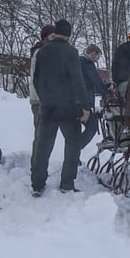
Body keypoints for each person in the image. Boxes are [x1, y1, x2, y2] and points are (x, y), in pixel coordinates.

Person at [31, 19, 90, 196]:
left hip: (48, 106)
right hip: (68, 106)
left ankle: (37, 184)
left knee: (44, 144)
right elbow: (77, 80)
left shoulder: (42, 52)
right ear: (69, 35)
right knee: (72, 144)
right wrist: (85, 105)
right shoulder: (71, 52)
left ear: (56, 32)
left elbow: (36, 79)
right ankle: (67, 182)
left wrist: (45, 98)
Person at [29, 24, 55, 170]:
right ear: (45, 38)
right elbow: (40, 79)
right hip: (40, 101)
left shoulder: (47, 51)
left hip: (46, 100)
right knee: (41, 135)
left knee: (46, 135)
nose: (54, 39)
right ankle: (36, 167)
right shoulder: (41, 52)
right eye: (52, 37)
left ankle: (39, 166)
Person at [79, 44, 110, 150]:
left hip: (73, 102)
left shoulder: (78, 62)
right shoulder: (87, 63)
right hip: (83, 104)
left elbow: (89, 83)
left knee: (73, 133)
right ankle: (75, 150)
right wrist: (107, 92)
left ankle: (72, 156)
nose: (96, 61)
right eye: (97, 58)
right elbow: (96, 81)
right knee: (92, 127)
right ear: (93, 54)